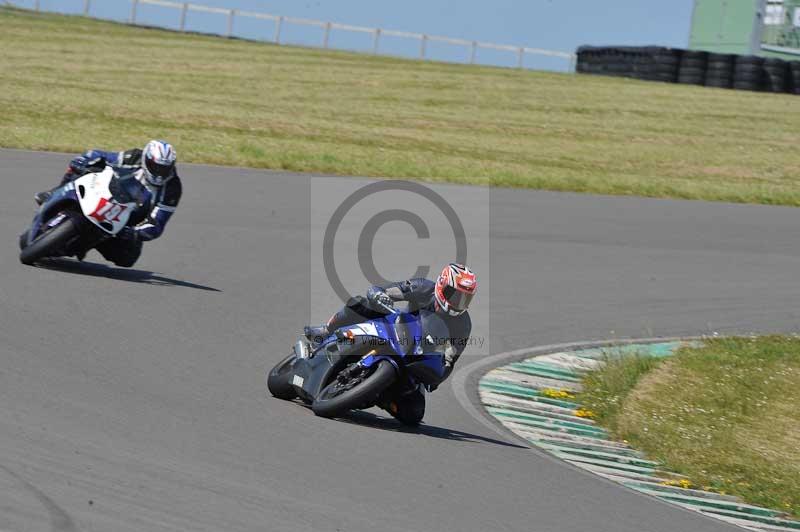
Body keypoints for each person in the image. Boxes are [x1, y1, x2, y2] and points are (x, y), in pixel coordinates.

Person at [305, 262, 477, 424]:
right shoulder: (423, 287)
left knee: (414, 414)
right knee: (360, 304)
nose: (458, 302)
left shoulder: (464, 324)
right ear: (441, 285)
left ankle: (381, 396)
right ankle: (326, 331)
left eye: (464, 298)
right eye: (453, 294)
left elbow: (451, 358)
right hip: (397, 330)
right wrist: (380, 295)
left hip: (417, 357)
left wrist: (436, 377)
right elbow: (385, 290)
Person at [34, 140, 181, 267]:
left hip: (127, 221)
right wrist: (83, 160)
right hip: (107, 194)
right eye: (156, 166)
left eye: (164, 169)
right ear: (145, 159)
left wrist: (135, 233)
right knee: (82, 168)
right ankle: (55, 192)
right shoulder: (133, 157)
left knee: (128, 258)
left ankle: (89, 243)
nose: (160, 173)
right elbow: (100, 155)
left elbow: (157, 223)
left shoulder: (172, 188)